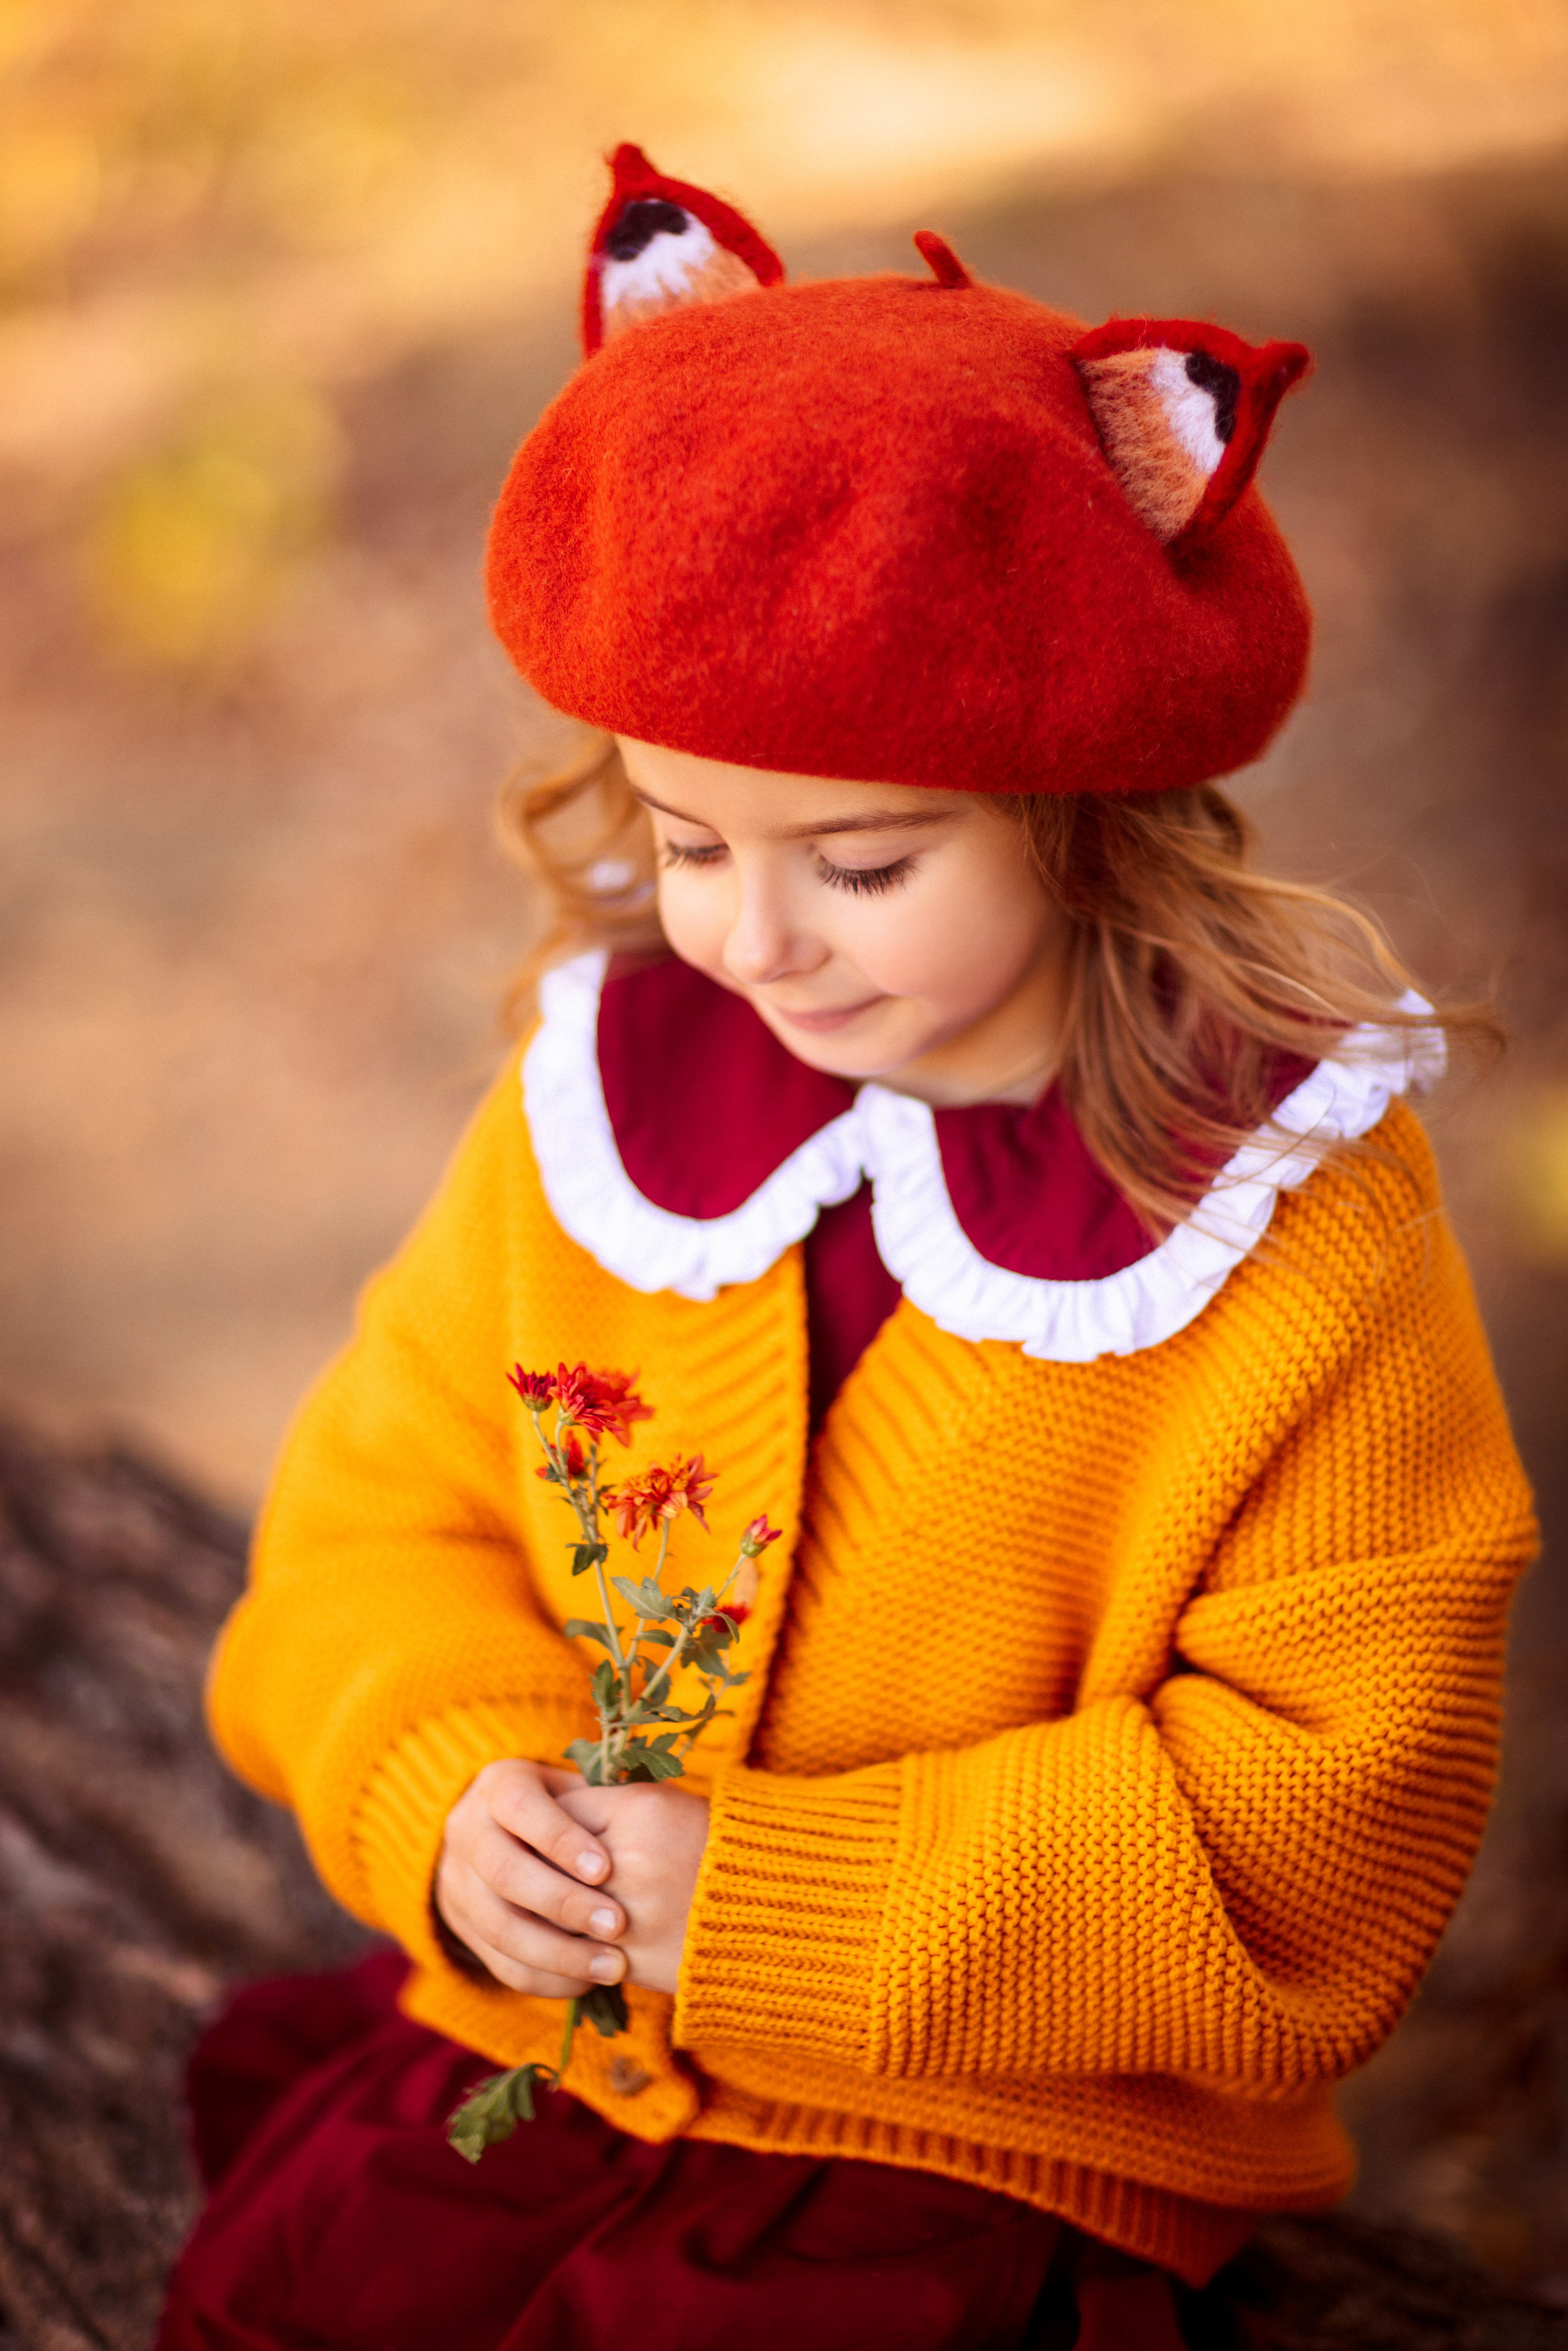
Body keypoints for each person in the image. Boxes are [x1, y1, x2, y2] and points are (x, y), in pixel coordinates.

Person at [156, 145, 1537, 2351]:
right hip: (535, 2075)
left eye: (867, 868)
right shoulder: (609, 1106)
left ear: (1089, 802)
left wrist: (771, 1899)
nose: (755, 937)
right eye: (687, 837)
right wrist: (453, 1780)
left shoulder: (1285, 1226)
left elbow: (1323, 1825)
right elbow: (374, 1527)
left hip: (974, 2159)